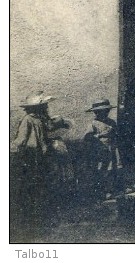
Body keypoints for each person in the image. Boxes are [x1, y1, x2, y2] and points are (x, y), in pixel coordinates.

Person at [10, 92, 70, 231]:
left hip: (39, 157)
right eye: (44, 106)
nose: (47, 108)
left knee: (40, 185)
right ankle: (35, 218)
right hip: (32, 157)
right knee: (35, 185)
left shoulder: (38, 119)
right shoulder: (29, 120)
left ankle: (41, 217)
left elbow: (46, 131)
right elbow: (22, 140)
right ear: (37, 108)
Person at [83, 99, 120, 199]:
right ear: (96, 112)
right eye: (101, 112)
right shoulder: (93, 124)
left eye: (106, 111)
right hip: (100, 150)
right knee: (102, 170)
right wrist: (99, 135)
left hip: (111, 148)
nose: (105, 113)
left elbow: (116, 133)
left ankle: (111, 189)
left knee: (112, 168)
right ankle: (103, 191)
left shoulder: (111, 122)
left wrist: (113, 135)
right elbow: (87, 137)